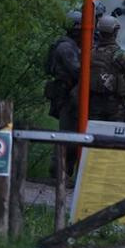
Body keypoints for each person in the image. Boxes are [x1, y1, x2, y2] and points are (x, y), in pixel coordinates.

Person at [88, 15, 125, 122]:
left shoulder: (90, 53)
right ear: (115, 32)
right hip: (115, 107)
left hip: (92, 105)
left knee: (94, 135)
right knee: (115, 137)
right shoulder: (120, 55)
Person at [44, 10, 81, 177]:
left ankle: (64, 172)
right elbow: (77, 70)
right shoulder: (66, 47)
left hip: (68, 95)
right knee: (68, 134)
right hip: (66, 96)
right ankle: (58, 171)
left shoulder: (70, 45)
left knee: (73, 134)